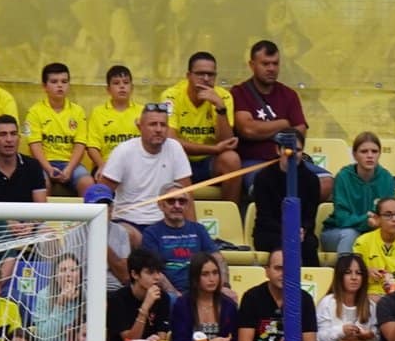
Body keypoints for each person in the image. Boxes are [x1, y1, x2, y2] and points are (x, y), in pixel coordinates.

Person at [237, 249, 321, 341]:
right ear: (267, 271)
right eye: (278, 268)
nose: (284, 273)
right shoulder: (252, 297)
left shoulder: (304, 299)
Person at [160, 51, 241, 204]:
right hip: (179, 159)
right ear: (188, 75)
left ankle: (230, 215)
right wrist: (215, 149)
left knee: (231, 159)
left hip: (209, 161)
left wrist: (220, 108)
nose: (206, 79)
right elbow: (171, 141)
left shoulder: (223, 97)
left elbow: (228, 142)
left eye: (211, 75)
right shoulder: (171, 96)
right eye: (200, 74)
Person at [231, 41, 314, 187]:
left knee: (325, 182)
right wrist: (284, 124)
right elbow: (247, 129)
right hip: (253, 162)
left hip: (290, 159)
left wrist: (263, 130)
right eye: (265, 64)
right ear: (252, 65)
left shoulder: (289, 95)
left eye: (275, 64)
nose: (271, 69)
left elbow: (300, 131)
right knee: (273, 185)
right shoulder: (239, 93)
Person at [98, 104, 192, 234]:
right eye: (153, 124)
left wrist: (193, 231)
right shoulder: (124, 151)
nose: (159, 129)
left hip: (165, 223)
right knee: (127, 235)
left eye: (163, 125)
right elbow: (101, 194)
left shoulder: (175, 148)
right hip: (128, 221)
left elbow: (187, 193)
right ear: (140, 127)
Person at [107, 248, 178, 341]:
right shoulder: (117, 299)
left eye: (158, 272)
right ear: (134, 274)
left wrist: (155, 339)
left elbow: (162, 335)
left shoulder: (163, 298)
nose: (157, 277)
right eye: (150, 273)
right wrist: (145, 307)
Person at [23, 62, 90, 193]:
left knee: (88, 183)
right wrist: (49, 169)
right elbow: (34, 146)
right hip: (43, 164)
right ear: (44, 86)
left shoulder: (78, 112)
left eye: (64, 81)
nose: (60, 85)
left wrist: (69, 169)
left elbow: (80, 145)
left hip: (70, 164)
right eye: (54, 81)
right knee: (41, 184)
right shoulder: (34, 112)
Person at [248, 141, 320, 263]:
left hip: (300, 233)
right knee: (283, 244)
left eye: (297, 149)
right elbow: (264, 217)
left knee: (309, 244)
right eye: (288, 149)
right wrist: (288, 231)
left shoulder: (311, 179)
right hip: (270, 231)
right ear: (278, 150)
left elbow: (310, 216)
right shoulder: (263, 177)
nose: (293, 154)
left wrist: (302, 229)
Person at [323, 133, 395, 254]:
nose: (370, 156)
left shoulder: (387, 178)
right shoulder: (343, 177)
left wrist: (376, 221)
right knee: (351, 234)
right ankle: (345, 272)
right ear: (354, 155)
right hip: (338, 232)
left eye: (374, 151)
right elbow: (342, 219)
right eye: (364, 151)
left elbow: (387, 215)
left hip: (373, 232)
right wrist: (367, 221)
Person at [142, 191, 221, 297]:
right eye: (171, 201)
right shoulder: (151, 233)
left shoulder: (199, 229)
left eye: (182, 201)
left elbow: (217, 258)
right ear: (161, 205)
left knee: (229, 298)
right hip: (168, 292)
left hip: (201, 289)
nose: (177, 205)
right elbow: (154, 271)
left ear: (187, 205)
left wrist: (224, 286)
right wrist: (175, 294)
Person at [84, 65, 144, 171]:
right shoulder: (98, 112)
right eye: (116, 83)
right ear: (108, 89)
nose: (122, 87)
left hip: (137, 165)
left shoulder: (143, 111)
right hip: (106, 165)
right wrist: (102, 166)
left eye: (126, 83)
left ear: (132, 87)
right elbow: (92, 147)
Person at [354, 196, 395, 297]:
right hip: (369, 295)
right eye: (388, 215)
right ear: (377, 218)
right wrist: (366, 271)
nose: (394, 219)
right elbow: (353, 272)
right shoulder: (362, 242)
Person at [0, 116, 48, 204]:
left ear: (19, 138)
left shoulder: (33, 166)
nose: (9, 139)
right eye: (3, 134)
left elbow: (41, 211)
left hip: (26, 218)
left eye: (13, 134)